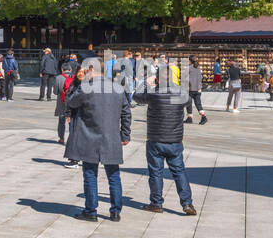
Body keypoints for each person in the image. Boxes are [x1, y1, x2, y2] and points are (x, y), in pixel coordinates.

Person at [65, 58, 132, 221]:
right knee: (114, 175)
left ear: (91, 69)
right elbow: (126, 112)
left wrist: (78, 83)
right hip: (112, 137)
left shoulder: (86, 88)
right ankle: (116, 211)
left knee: (90, 174)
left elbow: (71, 102)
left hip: (90, 136)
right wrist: (125, 134)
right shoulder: (117, 87)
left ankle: (91, 210)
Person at [134, 65, 196, 216]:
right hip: (174, 139)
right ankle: (187, 203)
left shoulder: (153, 93)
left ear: (157, 79)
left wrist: (145, 82)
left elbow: (135, 96)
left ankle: (156, 203)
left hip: (156, 138)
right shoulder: (180, 93)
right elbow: (188, 101)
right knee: (179, 171)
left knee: (156, 172)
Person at [184, 56, 208, 125]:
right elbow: (201, 78)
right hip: (198, 89)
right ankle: (203, 116)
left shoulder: (189, 68)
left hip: (190, 89)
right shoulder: (198, 68)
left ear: (190, 61)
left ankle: (190, 117)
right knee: (198, 104)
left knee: (188, 103)